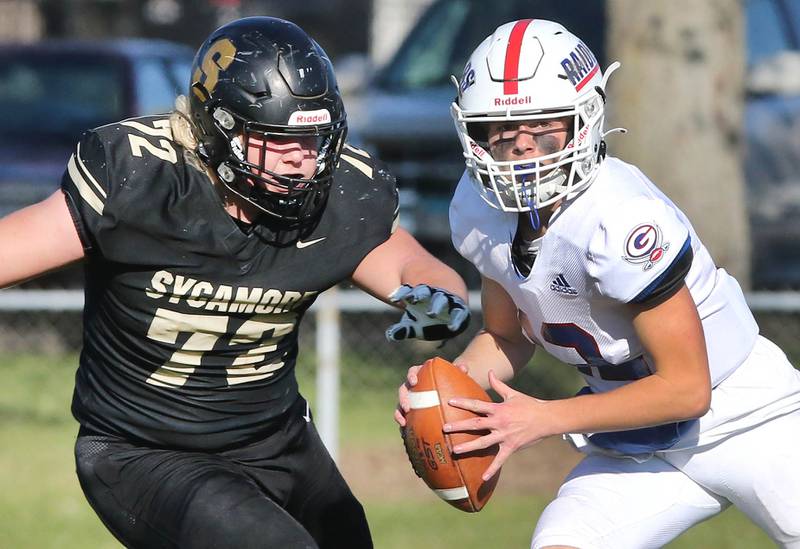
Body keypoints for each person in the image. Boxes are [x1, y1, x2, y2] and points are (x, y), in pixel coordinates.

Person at [0, 16, 470, 549]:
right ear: (219, 130)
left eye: (313, 138)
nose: (302, 160)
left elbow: (414, 267)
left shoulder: (338, 196)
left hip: (276, 441)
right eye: (277, 140)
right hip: (143, 452)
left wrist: (437, 298)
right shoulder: (143, 180)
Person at [397, 19, 800, 549]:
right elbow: (509, 336)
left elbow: (686, 387)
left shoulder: (620, 217)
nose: (521, 147)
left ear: (584, 120)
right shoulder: (480, 207)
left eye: (543, 127)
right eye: (500, 130)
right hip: (630, 439)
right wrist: (446, 391)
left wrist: (541, 416)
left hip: (746, 416)